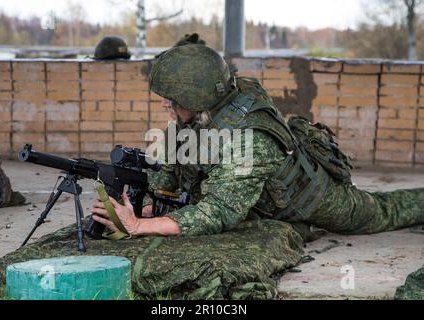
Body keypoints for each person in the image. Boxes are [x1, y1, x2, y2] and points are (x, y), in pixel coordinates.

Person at [90, 44, 424, 238]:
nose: (165, 104)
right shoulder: (196, 111)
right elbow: (174, 165)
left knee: (378, 213)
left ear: (197, 99)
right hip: (257, 194)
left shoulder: (248, 140)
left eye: (172, 99)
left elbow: (218, 212)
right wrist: (148, 201)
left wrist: (139, 226)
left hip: (306, 196)